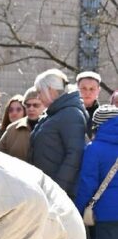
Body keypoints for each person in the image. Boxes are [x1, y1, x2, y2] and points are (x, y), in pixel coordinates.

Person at [75, 105, 118, 239]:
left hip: (107, 213)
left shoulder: (94, 149)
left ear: (98, 125)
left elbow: (87, 183)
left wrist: (80, 208)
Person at [30, 69, 87, 200]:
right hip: (47, 188)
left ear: (50, 90)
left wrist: (57, 189)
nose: (38, 97)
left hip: (59, 194)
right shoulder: (54, 114)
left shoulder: (70, 114)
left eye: (40, 92)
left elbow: (75, 155)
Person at [0, 87, 43, 161]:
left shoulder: (51, 127)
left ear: (44, 106)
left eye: (35, 105)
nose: (31, 109)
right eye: (28, 105)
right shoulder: (12, 129)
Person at [76, 71, 101, 138]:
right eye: (84, 88)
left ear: (98, 91)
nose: (87, 92)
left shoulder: (103, 115)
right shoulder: (69, 112)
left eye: (92, 89)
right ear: (77, 89)